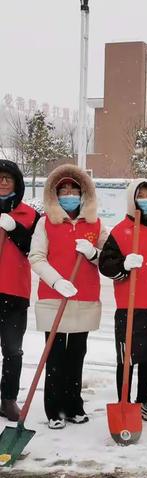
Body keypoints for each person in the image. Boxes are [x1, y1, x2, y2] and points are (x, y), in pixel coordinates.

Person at [29, 164, 108, 429]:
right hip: (55, 297)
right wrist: (57, 280)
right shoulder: (46, 223)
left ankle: (73, 404)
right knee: (54, 355)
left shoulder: (96, 224)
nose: (69, 194)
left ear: (84, 193)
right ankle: (53, 408)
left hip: (83, 298)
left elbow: (110, 259)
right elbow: (36, 257)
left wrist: (93, 254)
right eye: (63, 190)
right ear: (55, 194)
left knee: (76, 353)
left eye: (74, 190)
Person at [99, 179, 147, 422]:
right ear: (132, 198)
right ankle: (123, 401)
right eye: (141, 195)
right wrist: (123, 265)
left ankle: (142, 401)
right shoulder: (120, 230)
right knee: (126, 359)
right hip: (129, 307)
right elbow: (105, 265)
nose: (146, 199)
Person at [0, 159, 40, 421]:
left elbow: (33, 250)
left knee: (13, 350)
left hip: (15, 292)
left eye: (8, 178)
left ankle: (8, 399)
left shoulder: (30, 215)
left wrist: (14, 229)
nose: (3, 182)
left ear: (17, 183)